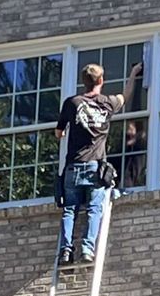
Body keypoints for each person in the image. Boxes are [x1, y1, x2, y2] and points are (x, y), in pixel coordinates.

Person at [55, 61, 142, 266]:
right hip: (95, 167)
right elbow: (125, 95)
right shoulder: (108, 103)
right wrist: (134, 73)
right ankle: (87, 250)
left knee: (70, 210)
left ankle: (66, 251)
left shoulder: (72, 103)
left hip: (73, 167)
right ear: (101, 80)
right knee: (95, 209)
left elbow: (58, 133)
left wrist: (67, 130)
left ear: (83, 82)